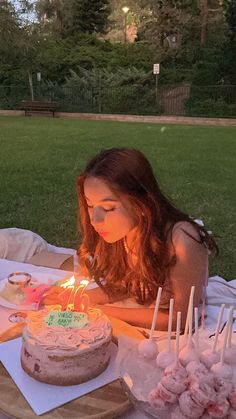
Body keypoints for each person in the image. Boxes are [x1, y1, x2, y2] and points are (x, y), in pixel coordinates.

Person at [76, 148, 218, 331]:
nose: (94, 220)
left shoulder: (181, 241)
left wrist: (99, 311)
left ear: (142, 203)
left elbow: (181, 319)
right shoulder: (124, 230)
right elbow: (128, 285)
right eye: (90, 205)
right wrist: (80, 297)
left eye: (108, 208)